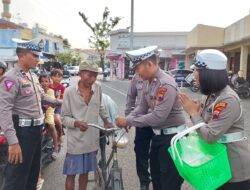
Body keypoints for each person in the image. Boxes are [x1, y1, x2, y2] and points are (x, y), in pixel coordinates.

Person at [115, 46, 186, 190]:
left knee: (168, 183)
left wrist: (128, 121)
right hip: (158, 137)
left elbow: (158, 117)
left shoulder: (166, 83)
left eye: (138, 68)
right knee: (157, 178)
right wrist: (128, 118)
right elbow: (141, 107)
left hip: (171, 139)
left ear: (149, 64)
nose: (136, 72)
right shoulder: (149, 81)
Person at [179, 49, 250, 190]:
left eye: (197, 71)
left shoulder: (227, 99)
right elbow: (206, 124)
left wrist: (194, 114)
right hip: (218, 164)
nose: (194, 75)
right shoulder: (210, 95)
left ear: (208, 74)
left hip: (234, 170)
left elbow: (210, 136)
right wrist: (198, 111)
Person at [0, 38, 61, 190]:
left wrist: (62, 102)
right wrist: (13, 142)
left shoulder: (32, 76)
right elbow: (4, 111)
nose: (37, 59)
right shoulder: (11, 78)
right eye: (34, 55)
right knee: (16, 177)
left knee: (32, 174)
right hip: (22, 133)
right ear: (21, 55)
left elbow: (43, 97)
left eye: (38, 55)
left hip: (36, 131)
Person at [61, 62, 112, 190]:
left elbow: (100, 106)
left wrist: (106, 120)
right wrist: (76, 123)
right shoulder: (69, 92)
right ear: (80, 73)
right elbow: (64, 118)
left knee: (85, 173)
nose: (92, 79)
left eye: (95, 76)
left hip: (91, 140)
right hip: (75, 142)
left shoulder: (97, 87)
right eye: (89, 75)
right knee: (71, 174)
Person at [124, 73, 153, 190]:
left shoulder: (164, 78)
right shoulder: (137, 77)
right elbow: (130, 97)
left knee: (158, 153)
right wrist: (127, 118)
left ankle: (155, 177)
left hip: (159, 122)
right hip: (141, 121)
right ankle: (144, 181)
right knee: (141, 152)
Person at [39, 73, 59, 159]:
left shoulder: (51, 91)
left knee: (51, 125)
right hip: (40, 111)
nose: (44, 83)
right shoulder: (38, 90)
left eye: (46, 81)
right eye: (42, 81)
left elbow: (50, 103)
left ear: (49, 82)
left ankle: (56, 147)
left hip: (49, 110)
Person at [49, 69, 65, 146]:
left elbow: (62, 99)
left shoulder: (62, 87)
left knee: (56, 119)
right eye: (55, 76)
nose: (57, 78)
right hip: (48, 107)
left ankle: (61, 134)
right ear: (51, 77)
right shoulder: (48, 86)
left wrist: (58, 100)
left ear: (62, 78)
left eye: (59, 77)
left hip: (58, 107)